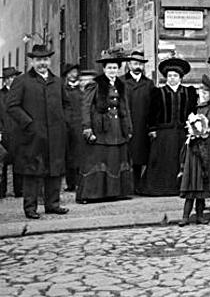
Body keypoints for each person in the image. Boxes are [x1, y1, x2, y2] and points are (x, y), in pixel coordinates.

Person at [7, 44, 72, 217]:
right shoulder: (22, 81)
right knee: (32, 172)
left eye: (45, 59)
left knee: (54, 169)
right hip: (33, 135)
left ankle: (53, 204)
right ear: (32, 62)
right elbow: (12, 106)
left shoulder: (57, 81)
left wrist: (64, 122)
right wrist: (28, 124)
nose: (42, 63)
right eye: (38, 60)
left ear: (49, 61)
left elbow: (67, 105)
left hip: (56, 135)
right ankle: (30, 208)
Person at [78, 49, 134, 203]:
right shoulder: (95, 84)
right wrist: (87, 128)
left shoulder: (121, 85)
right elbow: (86, 107)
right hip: (100, 128)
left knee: (115, 158)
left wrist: (128, 127)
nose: (112, 71)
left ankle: (116, 192)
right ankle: (93, 194)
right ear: (104, 69)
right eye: (109, 68)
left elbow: (125, 107)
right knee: (99, 159)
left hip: (117, 127)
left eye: (115, 68)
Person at [144, 57, 197, 196]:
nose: (172, 78)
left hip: (182, 132)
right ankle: (161, 188)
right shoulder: (158, 92)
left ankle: (182, 187)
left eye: (175, 76)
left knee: (181, 158)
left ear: (181, 78)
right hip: (164, 133)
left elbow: (193, 111)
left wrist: (192, 129)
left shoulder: (189, 92)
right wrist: (152, 129)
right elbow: (151, 112)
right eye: (169, 76)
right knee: (163, 160)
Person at [123, 50, 155, 194]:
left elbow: (153, 105)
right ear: (129, 64)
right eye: (135, 63)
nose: (137, 66)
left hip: (142, 124)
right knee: (125, 155)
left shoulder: (148, 84)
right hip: (126, 123)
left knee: (140, 156)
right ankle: (125, 186)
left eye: (140, 64)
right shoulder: (122, 81)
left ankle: (137, 185)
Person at [177, 113, 210, 226]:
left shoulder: (205, 141)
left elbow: (207, 156)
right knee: (190, 196)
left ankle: (200, 216)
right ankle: (185, 217)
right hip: (191, 171)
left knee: (201, 196)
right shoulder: (189, 142)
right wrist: (182, 168)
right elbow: (182, 155)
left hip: (202, 171)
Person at [63, 65, 85, 192]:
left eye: (75, 72)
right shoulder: (63, 90)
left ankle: (79, 181)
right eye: (70, 73)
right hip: (66, 125)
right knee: (68, 155)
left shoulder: (81, 91)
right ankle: (70, 182)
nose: (73, 75)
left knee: (79, 154)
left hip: (78, 125)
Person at [0, 66, 20, 199]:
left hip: (19, 132)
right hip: (4, 132)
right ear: (5, 80)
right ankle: (2, 191)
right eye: (9, 78)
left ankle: (19, 191)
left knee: (19, 162)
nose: (12, 80)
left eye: (14, 77)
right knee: (3, 161)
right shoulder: (0, 95)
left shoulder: (20, 92)